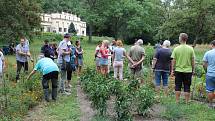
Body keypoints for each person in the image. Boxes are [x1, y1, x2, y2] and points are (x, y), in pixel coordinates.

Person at [171, 33, 195, 104]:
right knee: (187, 86)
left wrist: (172, 70)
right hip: (188, 71)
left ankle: (177, 101)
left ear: (180, 39)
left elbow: (173, 60)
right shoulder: (191, 49)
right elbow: (193, 60)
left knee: (178, 85)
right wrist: (193, 70)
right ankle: (187, 102)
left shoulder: (176, 49)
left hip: (178, 70)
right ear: (186, 39)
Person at [203, 40, 215, 108]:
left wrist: (206, 70)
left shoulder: (208, 53)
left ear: (212, 45)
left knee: (210, 90)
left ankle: (211, 105)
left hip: (210, 74)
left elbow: (204, 64)